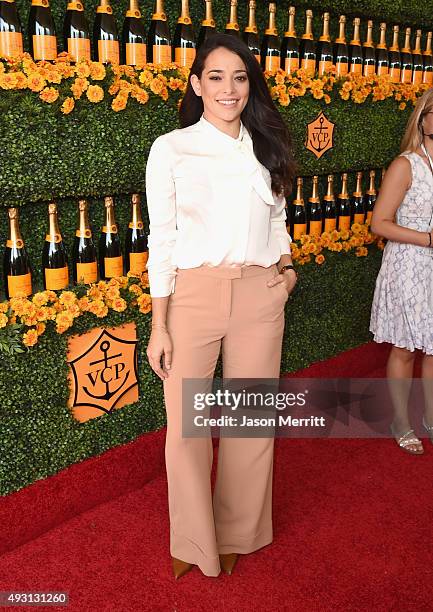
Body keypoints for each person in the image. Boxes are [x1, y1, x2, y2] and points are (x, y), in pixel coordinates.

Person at [145, 33, 297, 579]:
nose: (229, 89)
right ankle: (192, 540)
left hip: (260, 294)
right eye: (216, 77)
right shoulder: (172, 148)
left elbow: (278, 221)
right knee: (186, 426)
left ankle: (239, 532)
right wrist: (158, 325)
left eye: (239, 77)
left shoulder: (267, 145)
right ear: (196, 85)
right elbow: (161, 239)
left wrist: (284, 273)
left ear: (250, 84)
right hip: (193, 296)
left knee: (248, 422)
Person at [370, 87, 433, 455]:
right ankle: (400, 420)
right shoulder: (405, 164)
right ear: (423, 119)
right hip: (408, 264)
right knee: (406, 347)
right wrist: (427, 238)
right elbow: (380, 222)